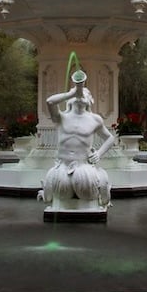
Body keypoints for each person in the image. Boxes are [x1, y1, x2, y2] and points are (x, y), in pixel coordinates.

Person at [40, 70, 115, 207]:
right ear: (69, 98)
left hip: (84, 167)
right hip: (62, 167)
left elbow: (110, 138)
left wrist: (99, 153)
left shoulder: (95, 119)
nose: (80, 94)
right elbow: (50, 101)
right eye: (76, 93)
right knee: (56, 195)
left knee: (87, 195)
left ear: (90, 100)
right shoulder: (61, 118)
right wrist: (73, 92)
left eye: (84, 93)